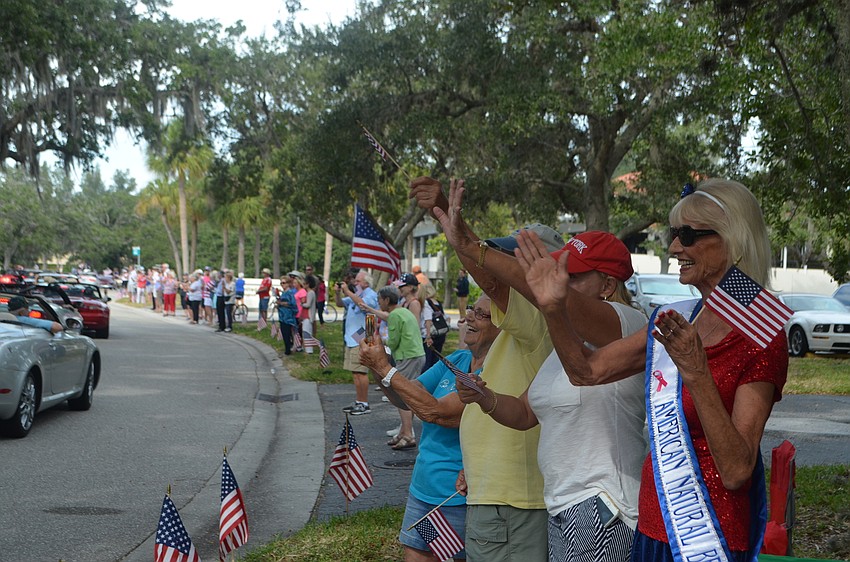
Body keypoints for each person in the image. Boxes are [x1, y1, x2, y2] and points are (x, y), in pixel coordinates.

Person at [517, 179, 788, 561]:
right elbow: (587, 372)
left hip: (709, 538)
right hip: (651, 528)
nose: (675, 247)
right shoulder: (678, 318)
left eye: (688, 235)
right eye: (675, 235)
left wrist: (696, 373)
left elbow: (737, 470)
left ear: (732, 239)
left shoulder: (762, 328)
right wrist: (553, 310)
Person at [454, 229, 647, 561]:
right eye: (559, 273)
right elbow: (526, 414)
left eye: (573, 276)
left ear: (607, 286)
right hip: (562, 504)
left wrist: (474, 249)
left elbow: (538, 296)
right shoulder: (565, 342)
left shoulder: (627, 322)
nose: (562, 283)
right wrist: (484, 398)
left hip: (603, 503)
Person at [410, 176, 565, 562]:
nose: (508, 265)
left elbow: (491, 279)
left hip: (514, 503)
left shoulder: (539, 315)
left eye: (519, 258)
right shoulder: (526, 323)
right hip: (497, 496)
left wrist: (452, 223)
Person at [358, 295, 500, 562]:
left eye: (481, 314)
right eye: (471, 309)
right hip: (423, 489)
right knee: (415, 556)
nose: (469, 316)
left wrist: (384, 367)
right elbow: (409, 397)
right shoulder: (458, 358)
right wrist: (378, 369)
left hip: (459, 496)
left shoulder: (497, 370)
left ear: (503, 327)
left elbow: (436, 412)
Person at [374, 285, 426, 450]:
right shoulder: (404, 311)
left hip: (408, 356)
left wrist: (379, 342)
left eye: (379, 300)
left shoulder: (395, 315)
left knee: (401, 393)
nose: (378, 303)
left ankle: (408, 434)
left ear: (387, 300)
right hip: (416, 354)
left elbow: (393, 341)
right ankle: (404, 431)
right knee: (406, 392)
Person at [335, 270, 379, 415]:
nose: (355, 283)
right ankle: (359, 401)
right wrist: (338, 293)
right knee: (355, 372)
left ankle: (364, 403)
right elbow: (340, 303)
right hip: (352, 338)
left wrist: (347, 291)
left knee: (361, 371)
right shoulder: (357, 294)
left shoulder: (371, 295)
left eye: (358, 281)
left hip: (362, 338)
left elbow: (363, 306)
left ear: (366, 282)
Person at [277, 274, 299, 355]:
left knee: (287, 334)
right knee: (284, 333)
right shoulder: (283, 293)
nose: (282, 285)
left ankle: (288, 351)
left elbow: (292, 304)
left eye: (284, 283)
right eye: (281, 283)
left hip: (288, 317)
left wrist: (282, 303)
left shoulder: (289, 293)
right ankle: (287, 348)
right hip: (282, 316)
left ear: (288, 283)